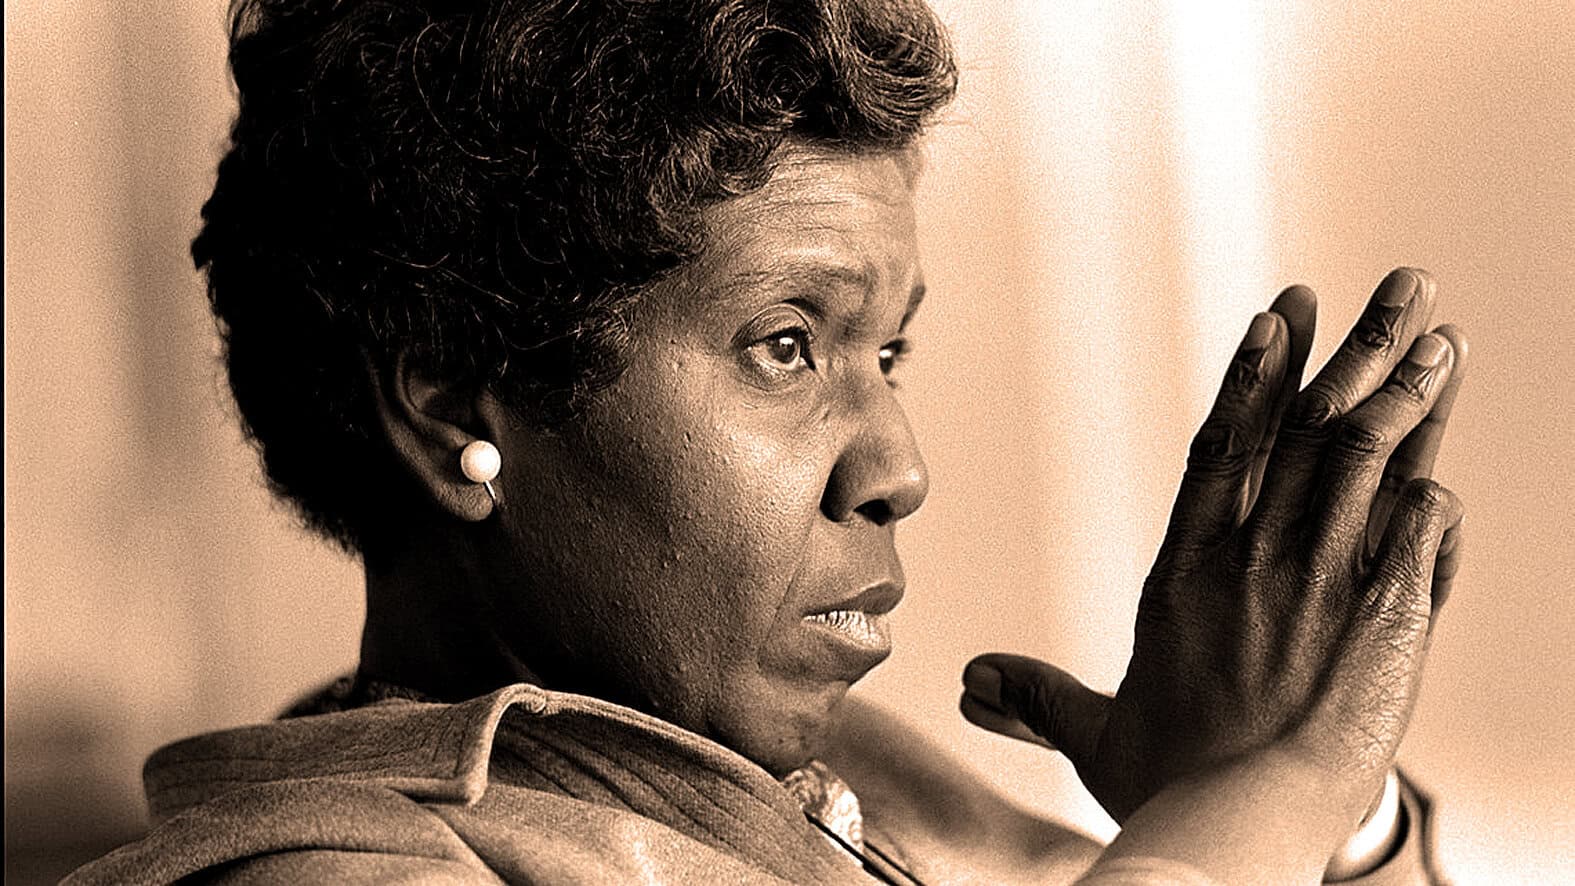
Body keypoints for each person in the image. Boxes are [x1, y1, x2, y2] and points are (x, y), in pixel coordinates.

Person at [68, 0, 1468, 883]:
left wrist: (1312, 822)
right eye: (787, 343)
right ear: (452, 409)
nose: (898, 468)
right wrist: (1259, 802)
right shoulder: (327, 873)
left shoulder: (862, 781)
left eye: (888, 352)